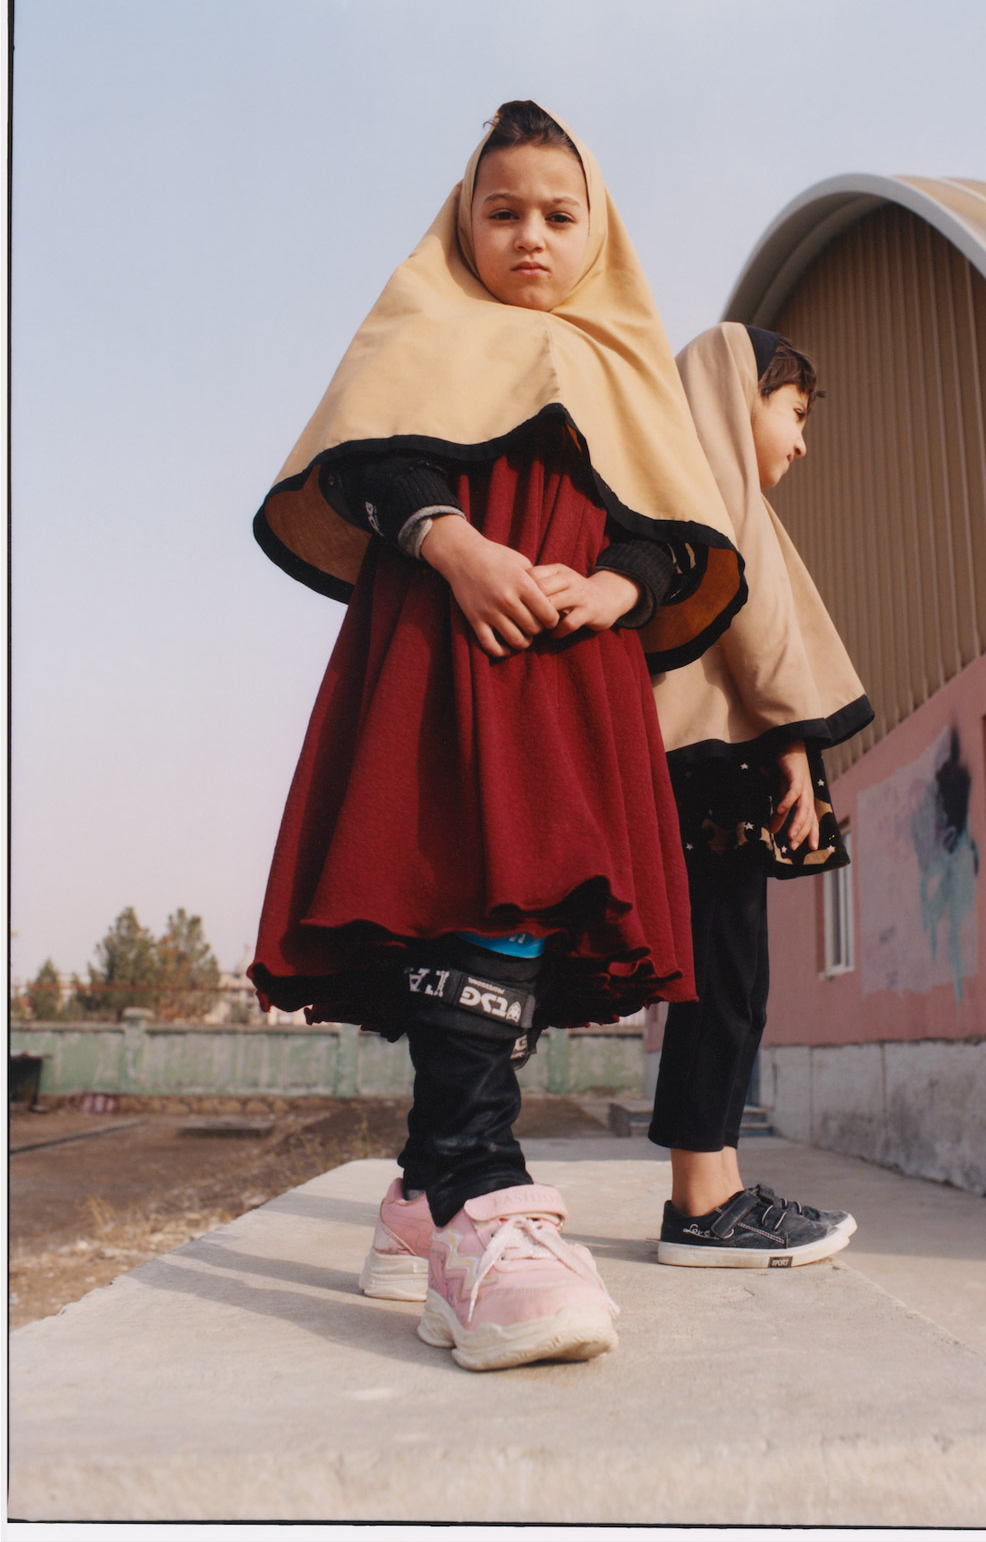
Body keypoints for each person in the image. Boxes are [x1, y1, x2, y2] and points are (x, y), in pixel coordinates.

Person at [249, 103, 745, 1370]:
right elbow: (367, 460)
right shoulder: (426, 324)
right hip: (446, 634)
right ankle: (477, 1198)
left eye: (558, 214)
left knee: (526, 886)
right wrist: (456, 543)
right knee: (455, 882)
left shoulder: (623, 356)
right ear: (463, 224)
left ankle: (425, 1194)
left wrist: (624, 588)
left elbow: (666, 520)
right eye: (502, 210)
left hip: (572, 667)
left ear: (600, 232)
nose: (531, 235)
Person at [645, 322, 875, 1268]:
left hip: (706, 757)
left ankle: (720, 1181)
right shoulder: (710, 498)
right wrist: (791, 743)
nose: (803, 438)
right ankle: (702, 1202)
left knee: (731, 978)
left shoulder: (689, 490)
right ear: (739, 397)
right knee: (724, 977)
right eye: (794, 410)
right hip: (708, 759)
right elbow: (759, 635)